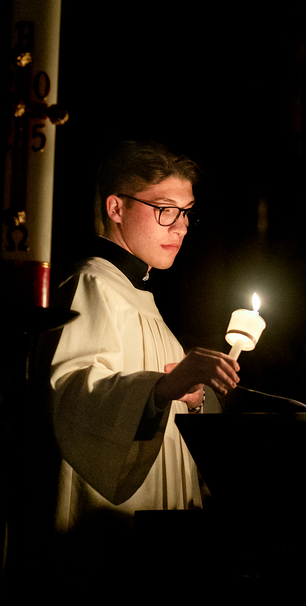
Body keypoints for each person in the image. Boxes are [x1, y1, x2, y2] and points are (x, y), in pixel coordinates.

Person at [49, 140, 240, 533]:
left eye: (186, 213)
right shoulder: (91, 283)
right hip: (107, 528)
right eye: (165, 209)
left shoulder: (138, 295)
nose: (180, 227)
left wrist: (190, 397)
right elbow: (73, 399)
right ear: (116, 208)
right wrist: (161, 387)